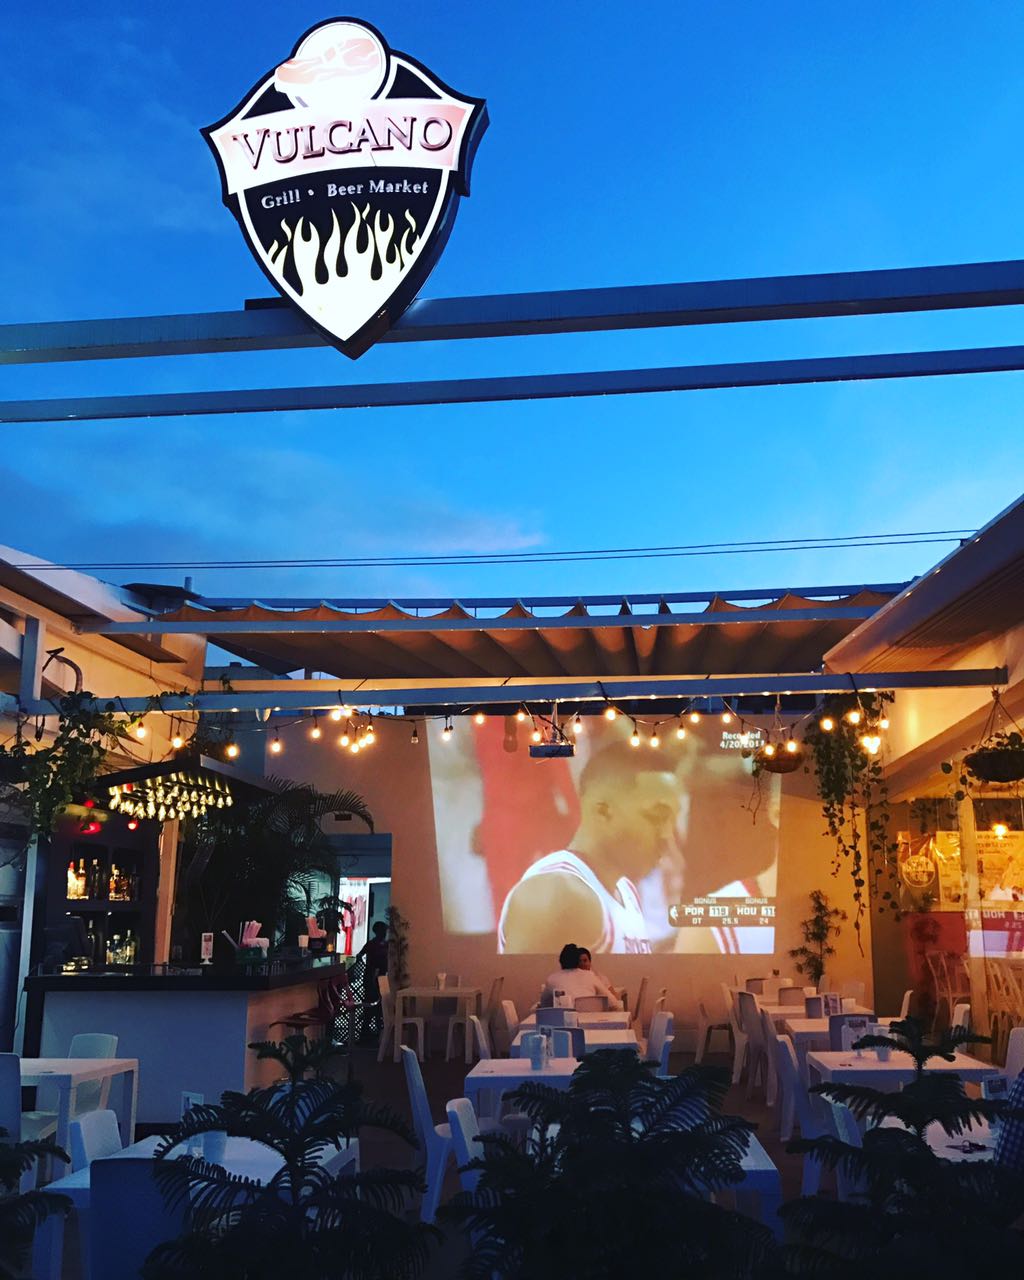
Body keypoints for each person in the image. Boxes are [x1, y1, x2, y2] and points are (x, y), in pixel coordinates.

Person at [498, 744, 683, 955]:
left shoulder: (625, 890)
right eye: (657, 817)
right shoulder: (557, 892)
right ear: (602, 811)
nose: (667, 835)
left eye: (672, 820)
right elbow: (517, 979)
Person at [543, 943, 623, 1010]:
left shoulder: (551, 979)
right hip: (591, 1020)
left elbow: (544, 1006)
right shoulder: (590, 976)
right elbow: (614, 1003)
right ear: (577, 962)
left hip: (563, 1022)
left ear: (560, 961)